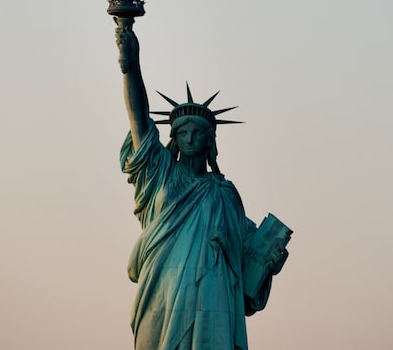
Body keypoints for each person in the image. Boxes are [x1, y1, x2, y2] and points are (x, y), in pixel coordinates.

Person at [114, 18, 288, 350]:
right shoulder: (160, 174)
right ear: (175, 138)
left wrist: (269, 264)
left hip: (213, 295)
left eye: (198, 132)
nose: (191, 137)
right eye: (183, 132)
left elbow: (245, 258)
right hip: (163, 287)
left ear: (210, 140)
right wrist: (130, 66)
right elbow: (139, 119)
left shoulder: (224, 194)